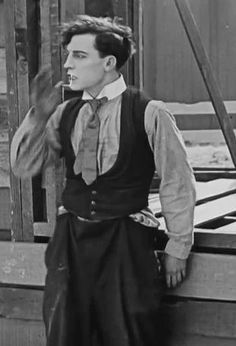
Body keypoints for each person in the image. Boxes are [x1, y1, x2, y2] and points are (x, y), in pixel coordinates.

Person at [11, 15, 196, 346]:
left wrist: (178, 247)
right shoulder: (64, 114)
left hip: (126, 243)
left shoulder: (150, 113)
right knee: (65, 332)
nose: (68, 64)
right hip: (71, 244)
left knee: (128, 334)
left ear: (109, 62)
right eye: (68, 54)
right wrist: (39, 114)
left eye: (79, 56)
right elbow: (25, 165)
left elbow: (177, 181)